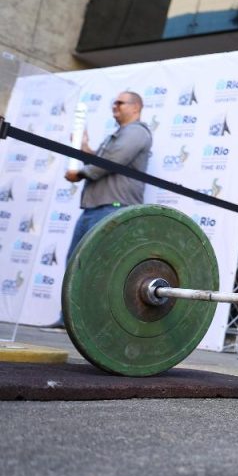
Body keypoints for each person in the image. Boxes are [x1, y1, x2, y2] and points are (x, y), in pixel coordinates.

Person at [60, 91, 152, 324]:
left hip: (113, 210)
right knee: (77, 265)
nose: (114, 106)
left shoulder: (137, 132)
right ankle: (70, 320)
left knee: (102, 269)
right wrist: (83, 148)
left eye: (120, 103)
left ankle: (92, 323)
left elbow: (109, 162)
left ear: (136, 107)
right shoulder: (119, 134)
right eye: (113, 102)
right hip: (95, 209)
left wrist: (80, 172)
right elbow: (101, 160)